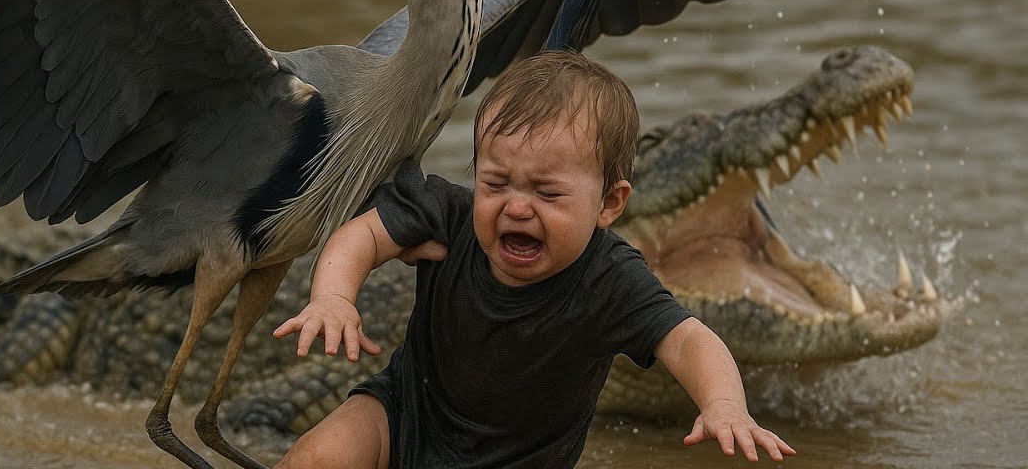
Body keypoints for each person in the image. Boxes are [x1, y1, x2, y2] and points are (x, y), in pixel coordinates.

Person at [272, 51, 795, 468]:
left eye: (547, 193)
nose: (516, 206)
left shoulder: (609, 277)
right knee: (316, 457)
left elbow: (687, 339)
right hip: (404, 417)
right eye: (495, 183)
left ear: (609, 204)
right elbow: (362, 235)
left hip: (523, 460)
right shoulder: (451, 217)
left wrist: (724, 404)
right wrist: (334, 298)